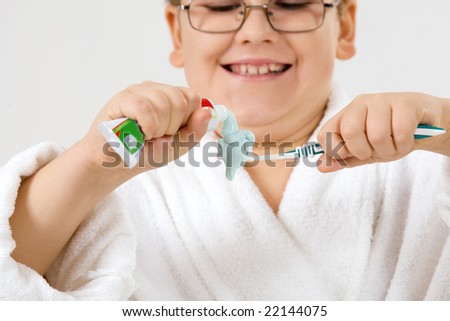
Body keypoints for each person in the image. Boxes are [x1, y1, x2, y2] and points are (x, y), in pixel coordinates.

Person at [1, 0, 449, 300]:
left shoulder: (425, 158)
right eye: (220, 5)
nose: (255, 31)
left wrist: (443, 126)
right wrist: (89, 169)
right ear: (177, 31)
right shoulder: (124, 183)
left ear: (345, 25)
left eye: (291, 3)